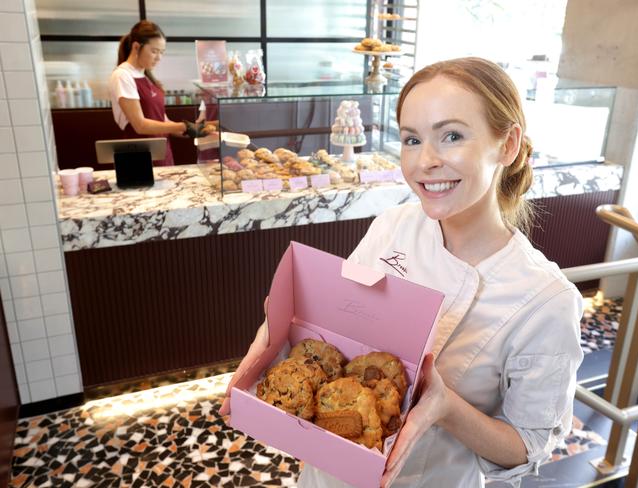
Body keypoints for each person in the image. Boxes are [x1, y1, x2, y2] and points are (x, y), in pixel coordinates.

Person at [219, 57, 584, 487]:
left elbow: (527, 445)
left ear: (506, 145)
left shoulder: (545, 300)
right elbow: (336, 332)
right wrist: (282, 328)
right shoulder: (393, 225)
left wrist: (446, 407)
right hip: (326, 475)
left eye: (452, 136)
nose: (425, 161)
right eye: (412, 139)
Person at [108, 20, 213, 166]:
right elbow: (140, 125)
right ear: (136, 47)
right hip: (140, 159)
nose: (159, 58)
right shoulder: (122, 75)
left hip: (162, 154)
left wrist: (193, 130)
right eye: (154, 51)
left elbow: (163, 121)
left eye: (161, 52)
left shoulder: (147, 77)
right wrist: (184, 126)